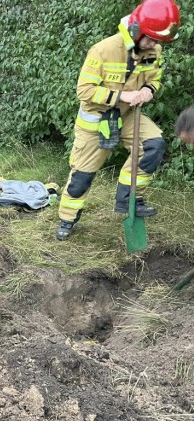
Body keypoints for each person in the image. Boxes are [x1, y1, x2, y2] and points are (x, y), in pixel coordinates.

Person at [56, 0, 180, 241]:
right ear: (136, 30)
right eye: (151, 39)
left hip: (128, 116)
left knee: (154, 146)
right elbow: (84, 91)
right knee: (82, 177)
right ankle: (67, 219)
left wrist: (149, 91)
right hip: (95, 120)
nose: (154, 45)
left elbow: (155, 79)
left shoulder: (153, 51)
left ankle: (129, 199)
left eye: (158, 40)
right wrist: (123, 95)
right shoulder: (102, 50)